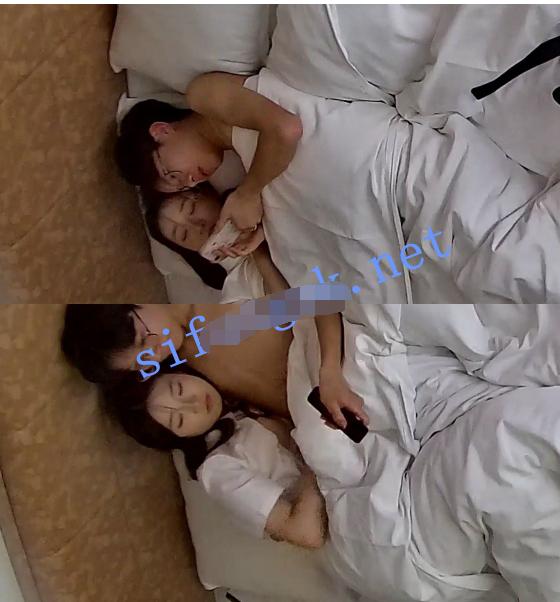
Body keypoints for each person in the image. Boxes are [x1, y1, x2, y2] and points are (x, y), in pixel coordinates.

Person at [107, 366, 328, 549]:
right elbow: (305, 533)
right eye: (180, 420)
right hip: (329, 498)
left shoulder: (235, 400)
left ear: (181, 371)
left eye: (179, 388)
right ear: (180, 439)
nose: (193, 404)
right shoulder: (218, 469)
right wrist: (317, 461)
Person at [61, 304, 368, 428]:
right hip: (336, 409)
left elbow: (321, 299)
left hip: (347, 360)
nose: (155, 349)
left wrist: (330, 371)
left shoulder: (219, 317)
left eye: (144, 336)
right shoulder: (188, 373)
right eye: (142, 360)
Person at [115, 72, 303, 240]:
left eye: (172, 175)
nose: (191, 183)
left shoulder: (202, 95)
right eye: (182, 186)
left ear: (161, 131)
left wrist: (247, 194)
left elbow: (286, 128)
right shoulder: (250, 165)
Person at [142, 184, 288, 298]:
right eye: (184, 235)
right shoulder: (236, 283)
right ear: (191, 251)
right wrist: (258, 252)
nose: (197, 226)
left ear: (206, 193)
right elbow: (290, 310)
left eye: (192, 209)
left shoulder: (257, 192)